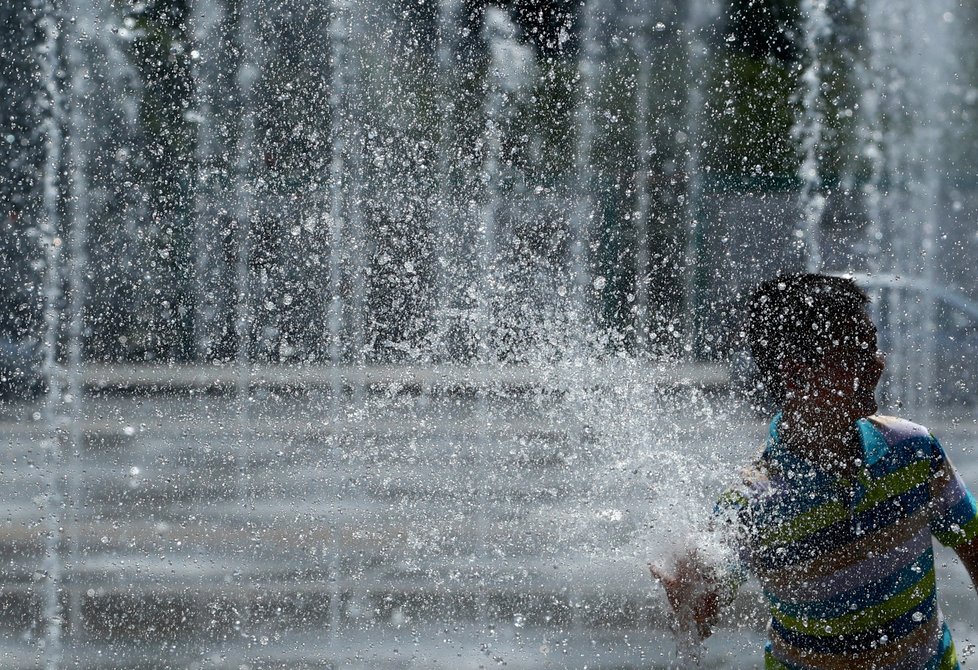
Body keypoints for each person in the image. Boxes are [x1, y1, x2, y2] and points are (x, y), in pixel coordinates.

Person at [651, 273, 978, 669]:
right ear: (796, 375)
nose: (876, 362)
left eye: (872, 345)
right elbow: (705, 612)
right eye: (855, 352)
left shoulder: (912, 449)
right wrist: (693, 600)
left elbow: (974, 547)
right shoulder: (754, 502)